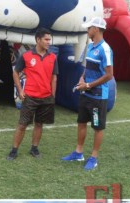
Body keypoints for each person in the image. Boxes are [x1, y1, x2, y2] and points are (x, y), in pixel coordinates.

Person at [61, 17, 114, 171]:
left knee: (97, 127)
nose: (87, 30)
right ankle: (78, 153)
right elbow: (88, 67)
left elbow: (109, 75)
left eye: (89, 27)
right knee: (81, 122)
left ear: (95, 29)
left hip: (98, 97)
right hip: (86, 94)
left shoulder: (105, 49)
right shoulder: (90, 46)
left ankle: (94, 157)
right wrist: (82, 78)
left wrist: (89, 85)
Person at [6, 28, 58, 160]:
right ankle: (14, 150)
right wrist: (20, 89)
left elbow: (54, 77)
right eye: (46, 39)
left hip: (46, 97)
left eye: (49, 39)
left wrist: (53, 95)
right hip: (30, 97)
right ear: (38, 40)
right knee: (22, 124)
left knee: (39, 124)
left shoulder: (53, 57)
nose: (49, 42)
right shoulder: (26, 56)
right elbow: (15, 72)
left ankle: (34, 148)